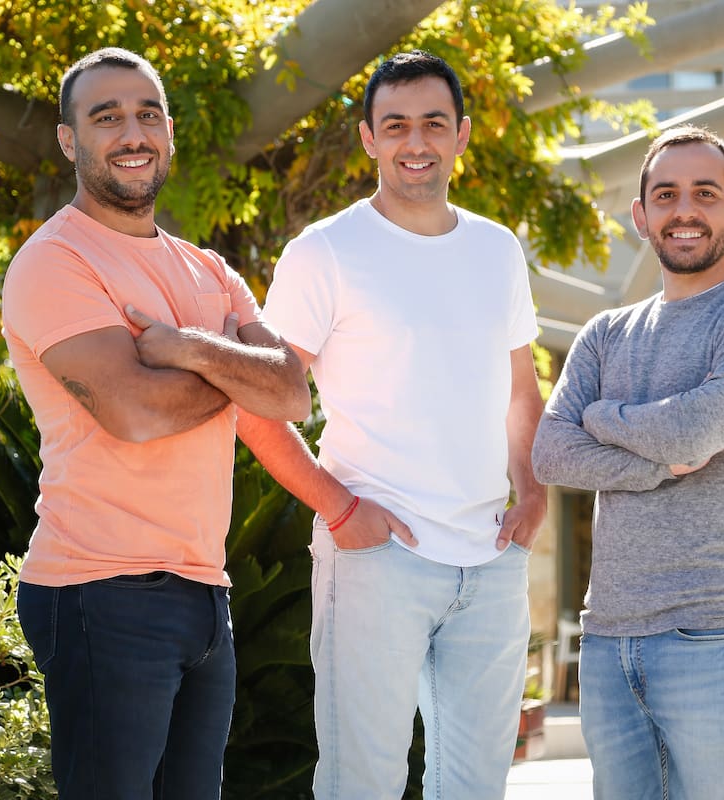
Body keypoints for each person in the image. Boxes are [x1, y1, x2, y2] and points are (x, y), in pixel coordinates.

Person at [232, 50, 546, 800]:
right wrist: (340, 510)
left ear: (461, 134)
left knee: (477, 789)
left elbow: (521, 389)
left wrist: (533, 494)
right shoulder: (325, 252)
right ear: (369, 138)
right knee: (361, 786)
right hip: (377, 559)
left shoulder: (497, 249)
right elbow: (257, 403)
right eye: (396, 124)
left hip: (491, 561)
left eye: (434, 123)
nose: (416, 141)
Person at [1, 48, 310, 800]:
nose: (132, 133)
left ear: (168, 131)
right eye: (106, 117)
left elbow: (291, 392)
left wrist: (188, 350)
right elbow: (136, 413)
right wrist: (233, 368)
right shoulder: (56, 262)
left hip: (205, 593)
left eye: (147, 114)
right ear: (70, 140)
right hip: (100, 590)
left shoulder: (210, 270)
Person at [531, 124, 724, 800]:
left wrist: (601, 416)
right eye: (666, 195)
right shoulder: (605, 333)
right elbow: (551, 452)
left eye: (705, 193)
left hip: (721, 635)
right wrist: (653, 465)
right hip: (609, 639)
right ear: (641, 215)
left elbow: (690, 433)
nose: (685, 210)